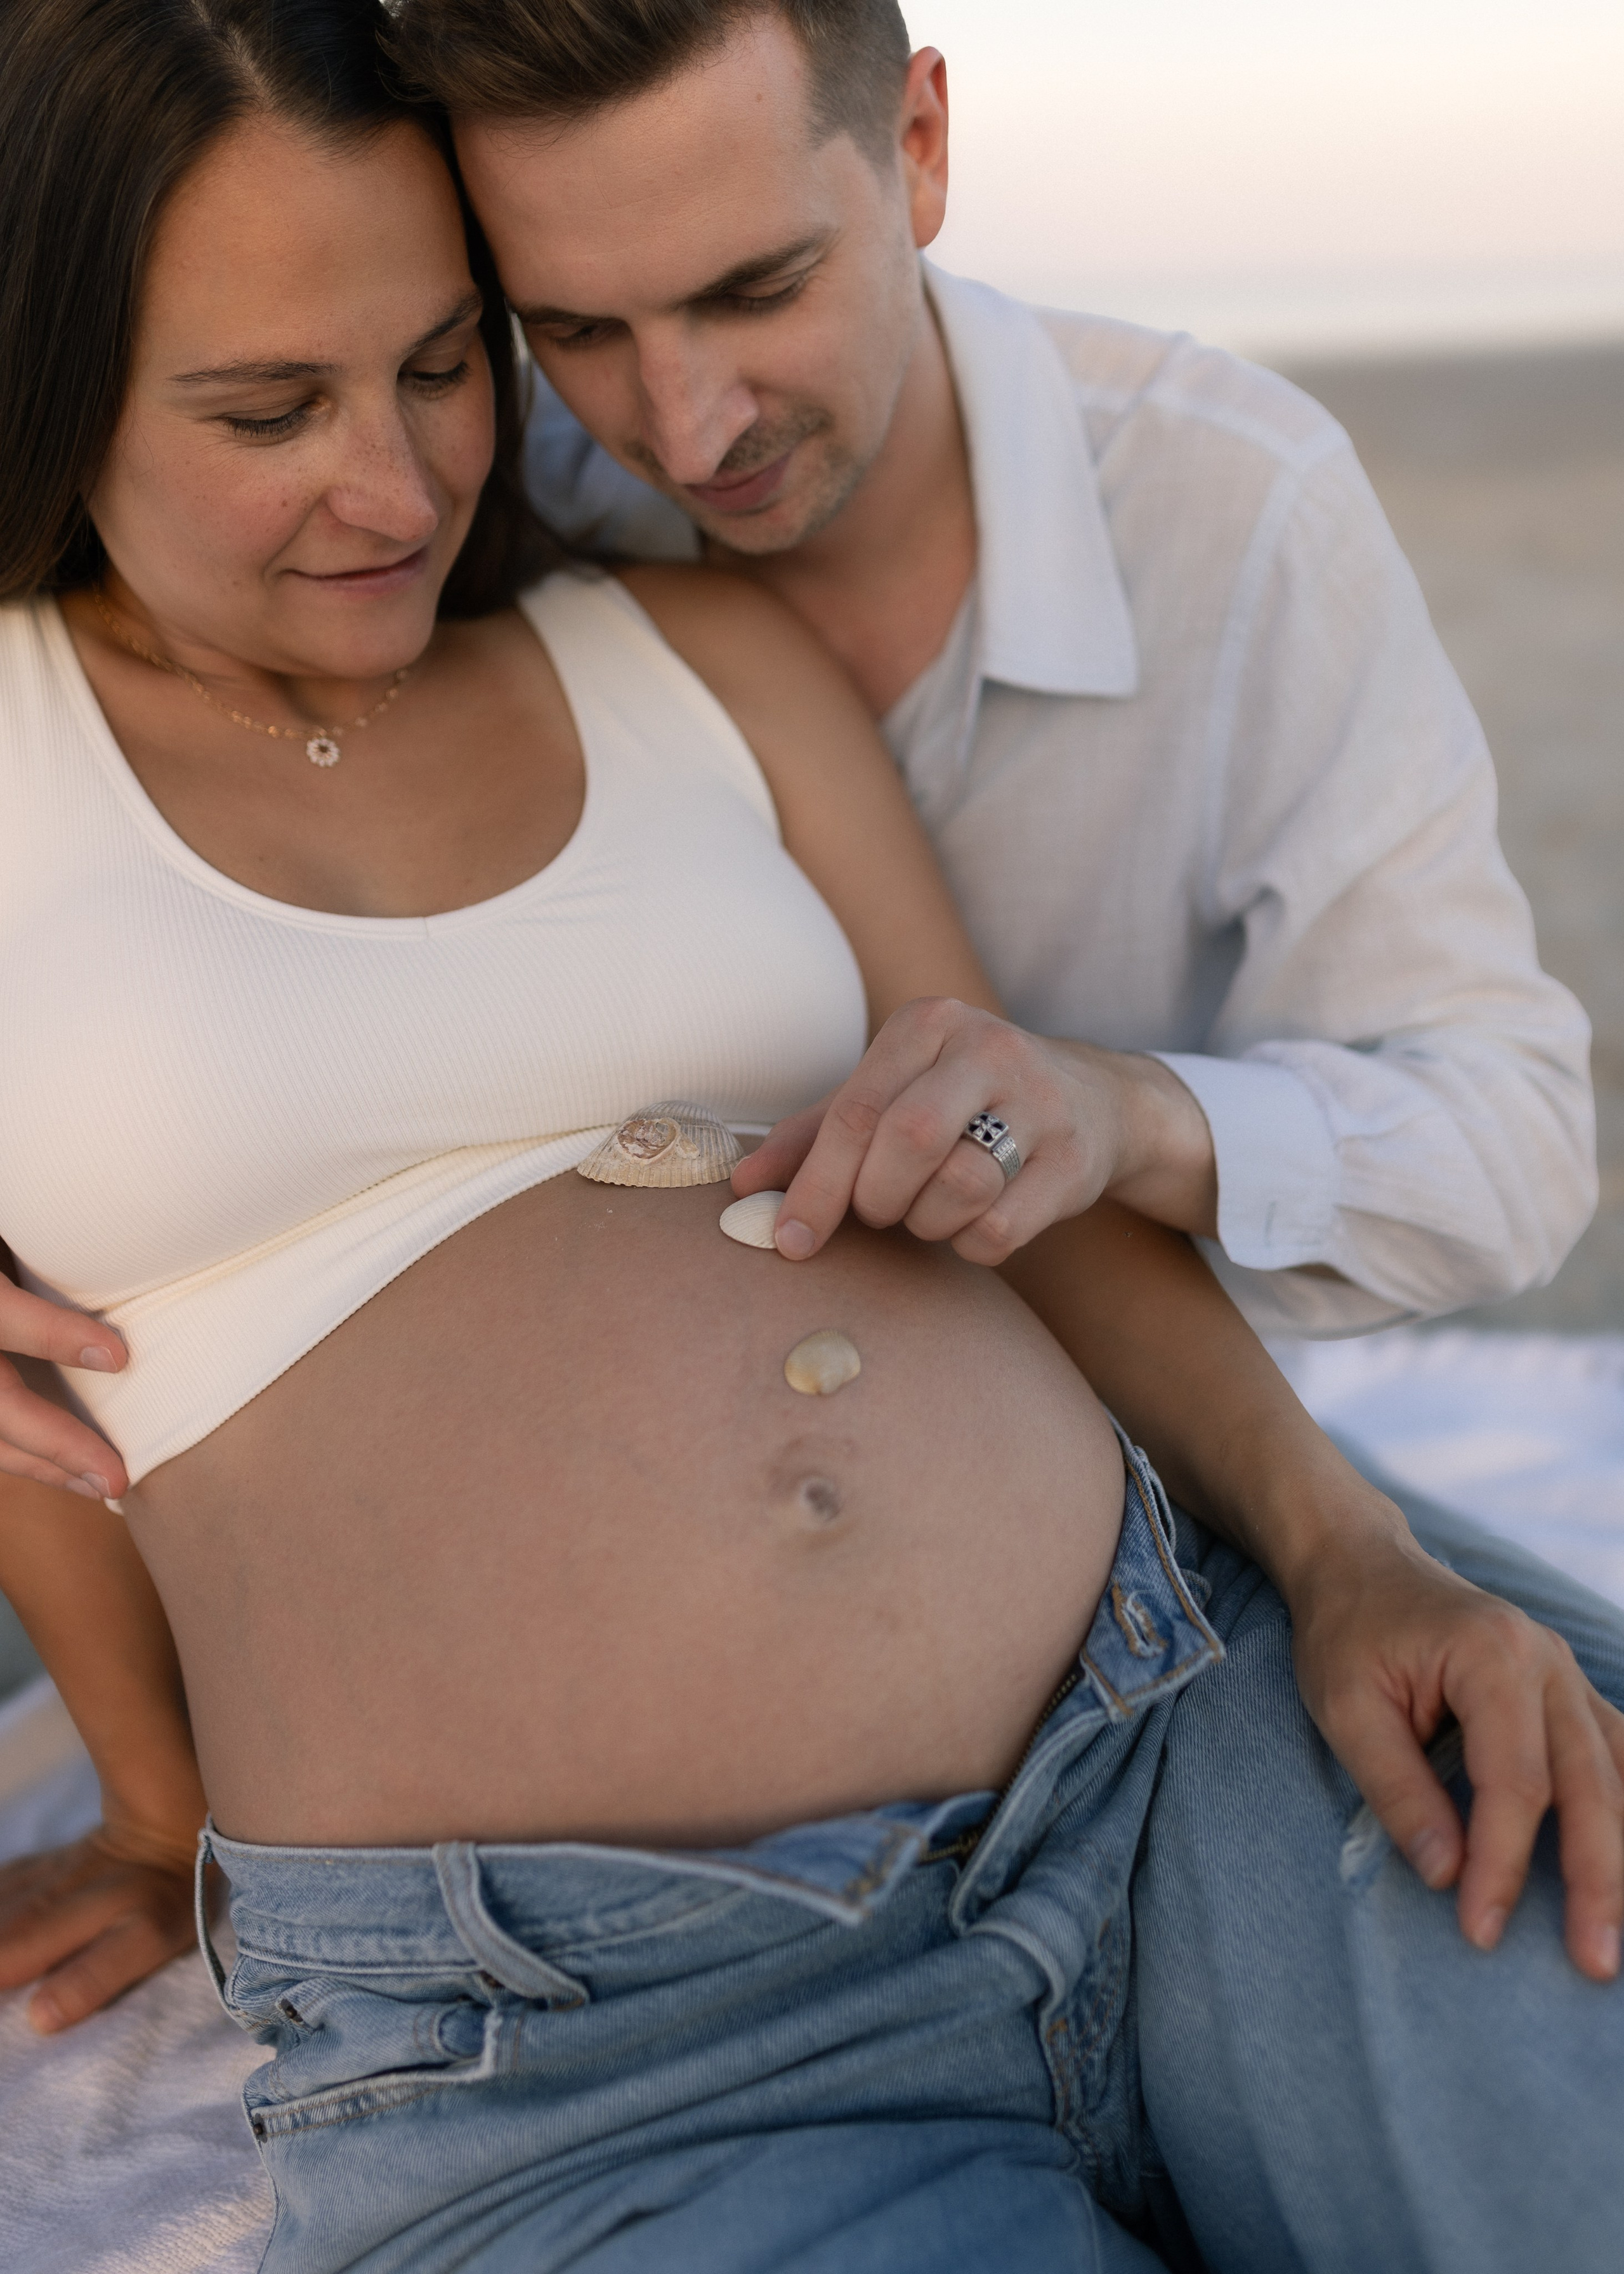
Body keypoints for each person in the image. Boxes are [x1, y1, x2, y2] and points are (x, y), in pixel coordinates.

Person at [0, 6, 1618, 2273]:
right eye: (270, 409)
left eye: (447, 365)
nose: (402, 483)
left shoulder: (683, 633)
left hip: (1162, 1734)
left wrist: (1352, 1552)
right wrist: (153, 1802)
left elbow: (1020, 1182)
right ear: (59, 383)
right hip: (601, 2032)